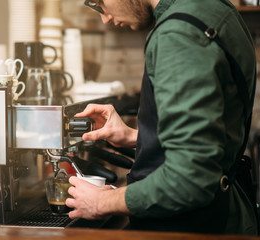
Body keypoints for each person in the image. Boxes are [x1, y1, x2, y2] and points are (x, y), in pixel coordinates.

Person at [65, 0, 258, 235]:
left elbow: (189, 179)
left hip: (195, 227)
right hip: (223, 213)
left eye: (98, 2)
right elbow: (212, 136)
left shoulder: (177, 34)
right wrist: (138, 136)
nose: (105, 18)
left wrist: (101, 202)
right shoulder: (213, 8)